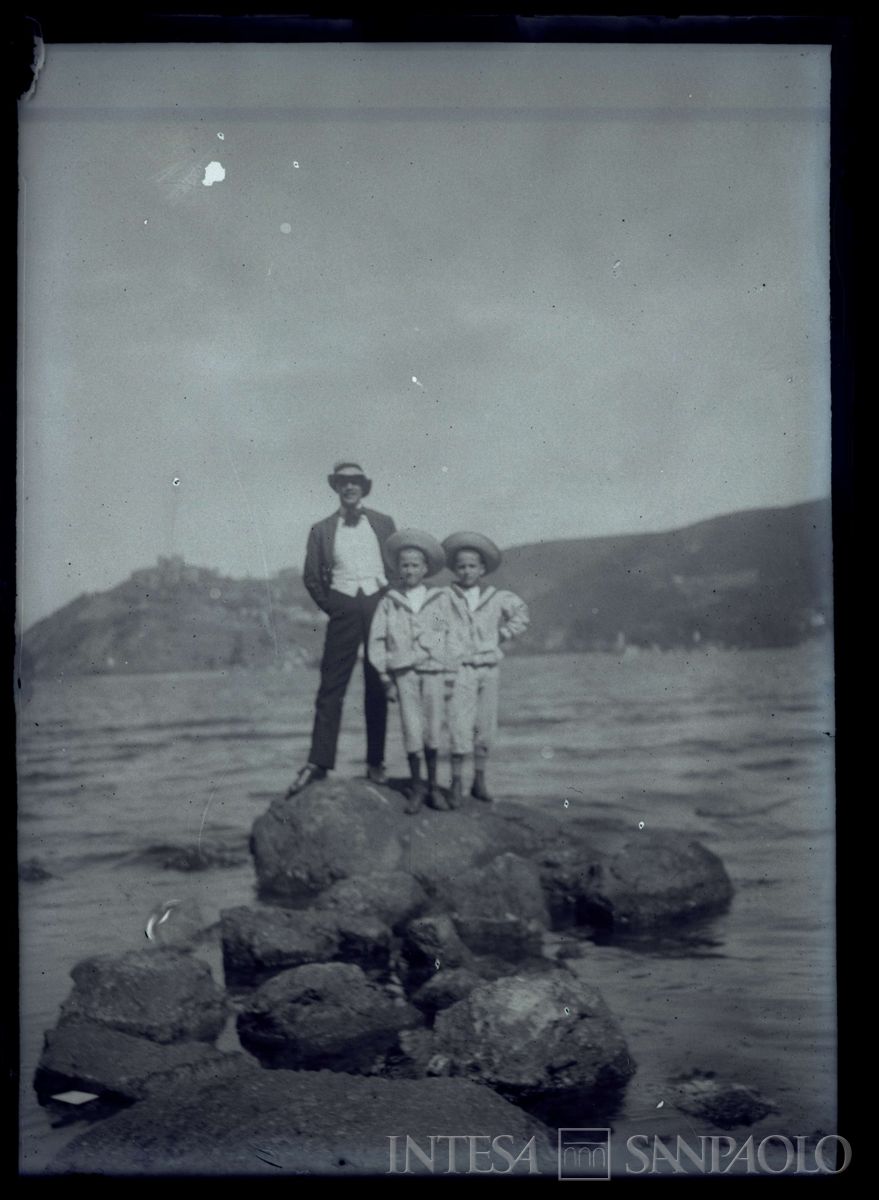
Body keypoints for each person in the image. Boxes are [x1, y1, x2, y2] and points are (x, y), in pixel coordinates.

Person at [285, 462, 396, 797]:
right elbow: (311, 576)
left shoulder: (383, 522)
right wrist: (333, 605)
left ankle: (375, 763)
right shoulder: (321, 529)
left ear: (364, 487)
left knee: (378, 685)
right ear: (336, 487)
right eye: (344, 482)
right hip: (343, 607)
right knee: (331, 687)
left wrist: (388, 599)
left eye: (355, 482)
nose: (350, 487)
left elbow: (395, 563)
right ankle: (319, 763)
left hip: (379, 605)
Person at [367, 529, 457, 815]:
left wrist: (450, 669)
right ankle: (416, 787)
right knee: (411, 727)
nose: (409, 570)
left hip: (433, 671)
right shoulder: (390, 602)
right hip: (404, 672)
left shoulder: (440, 599)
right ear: (398, 568)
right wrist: (384, 674)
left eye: (415, 565)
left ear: (425, 568)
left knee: (434, 728)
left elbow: (451, 635)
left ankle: (433, 787)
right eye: (404, 565)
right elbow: (377, 640)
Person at [443, 531, 529, 807]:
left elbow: (522, 614)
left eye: (472, 566)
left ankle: (479, 780)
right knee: (458, 723)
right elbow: (430, 626)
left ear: (482, 569)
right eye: (461, 566)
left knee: (485, 725)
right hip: (459, 669)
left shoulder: (496, 597)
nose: (467, 571)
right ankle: (455, 781)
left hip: (489, 668)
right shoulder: (444, 597)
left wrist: (501, 634)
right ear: (455, 569)